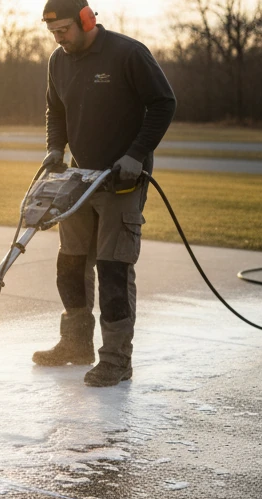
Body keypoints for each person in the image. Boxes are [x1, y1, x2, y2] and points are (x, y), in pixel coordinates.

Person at [33, 0, 177, 387]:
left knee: (113, 269)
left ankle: (116, 360)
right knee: (71, 264)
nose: (58, 38)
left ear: (86, 20)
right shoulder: (58, 62)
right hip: (80, 180)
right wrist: (54, 148)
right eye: (52, 33)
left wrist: (136, 154)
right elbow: (55, 111)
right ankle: (75, 344)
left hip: (121, 181)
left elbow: (163, 104)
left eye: (63, 30)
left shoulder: (128, 54)